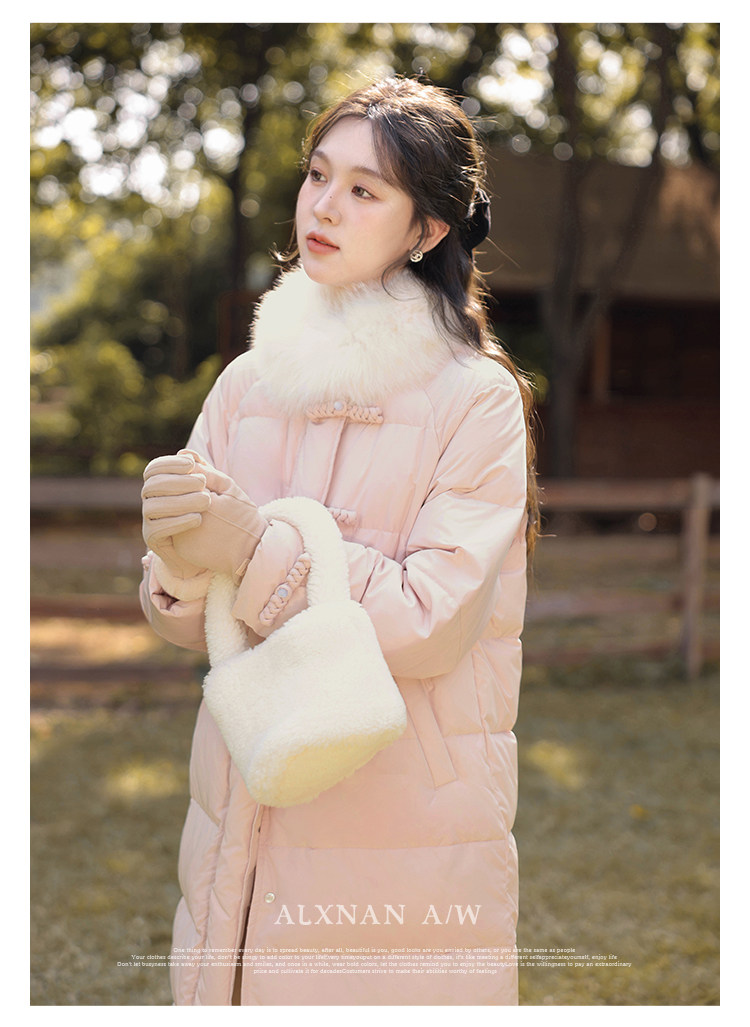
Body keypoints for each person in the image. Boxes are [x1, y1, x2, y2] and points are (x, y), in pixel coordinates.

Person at [140, 76, 538, 1007]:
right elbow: (187, 621)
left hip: (401, 814)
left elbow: (433, 620)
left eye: (365, 190)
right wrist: (176, 558)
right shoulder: (246, 383)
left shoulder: (475, 399)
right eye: (318, 175)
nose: (323, 206)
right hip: (243, 793)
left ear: (426, 229)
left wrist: (253, 551)